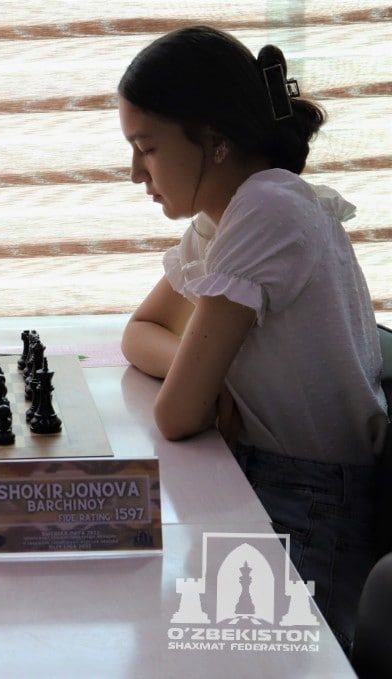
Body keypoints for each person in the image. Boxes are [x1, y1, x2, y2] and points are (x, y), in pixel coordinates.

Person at [117, 26, 388, 652]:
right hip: (266, 476)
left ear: (213, 141)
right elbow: (140, 334)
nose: (135, 173)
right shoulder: (223, 219)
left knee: (168, 646)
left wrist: (198, 388)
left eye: (147, 148)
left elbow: (177, 414)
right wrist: (207, 383)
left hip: (312, 500)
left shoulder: (269, 207)